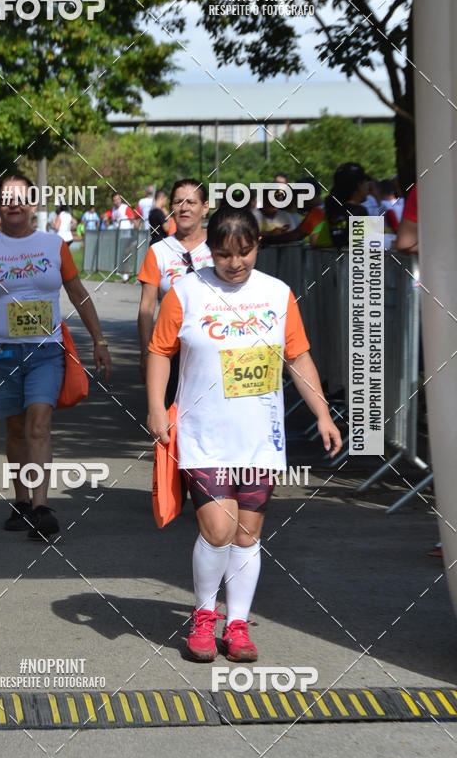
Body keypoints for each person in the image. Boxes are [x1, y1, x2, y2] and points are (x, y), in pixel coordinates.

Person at [146, 205, 341, 662]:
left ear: (258, 245)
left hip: (259, 436)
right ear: (210, 250)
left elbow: (298, 357)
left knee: (248, 534)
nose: (235, 263)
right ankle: (203, 615)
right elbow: (159, 351)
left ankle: (237, 625)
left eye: (244, 252)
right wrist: (156, 408)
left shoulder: (277, 294)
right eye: (223, 254)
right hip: (203, 433)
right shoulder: (186, 292)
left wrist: (323, 414)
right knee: (219, 529)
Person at [0, 173, 111, 539]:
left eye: (20, 198)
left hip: (46, 352)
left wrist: (99, 340)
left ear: (33, 204)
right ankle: (21, 502)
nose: (13, 204)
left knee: (39, 424)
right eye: (5, 198)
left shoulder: (53, 245)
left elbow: (78, 293)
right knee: (16, 429)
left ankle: (42, 507)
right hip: (0, 352)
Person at [137, 179, 212, 388]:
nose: (184, 208)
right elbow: (147, 306)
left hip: (214, 347)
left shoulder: (219, 247)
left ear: (205, 207)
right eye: (178, 202)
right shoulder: (158, 251)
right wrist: (145, 353)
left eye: (191, 202)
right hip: (171, 351)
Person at [313, 162, 370, 249]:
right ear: (359, 185)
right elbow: (369, 247)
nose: (368, 186)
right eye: (366, 182)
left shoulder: (332, 212)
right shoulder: (360, 212)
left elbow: (317, 241)